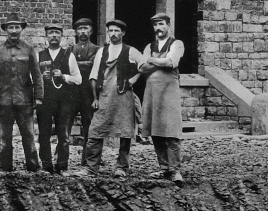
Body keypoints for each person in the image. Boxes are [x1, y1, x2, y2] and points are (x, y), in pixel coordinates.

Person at [82, 18, 144, 178]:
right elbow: (94, 76)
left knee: (124, 132)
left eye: (117, 31)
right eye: (111, 31)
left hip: (124, 97)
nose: (113, 34)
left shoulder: (131, 51)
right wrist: (95, 98)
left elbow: (145, 65)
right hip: (104, 96)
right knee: (95, 131)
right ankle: (91, 168)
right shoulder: (102, 52)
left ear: (122, 33)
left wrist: (134, 79)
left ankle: (121, 167)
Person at [0, 14, 42, 173]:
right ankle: (5, 168)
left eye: (17, 27)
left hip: (24, 100)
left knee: (29, 136)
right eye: (11, 27)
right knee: (4, 137)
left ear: (22, 29)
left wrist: (39, 97)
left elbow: (37, 75)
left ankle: (34, 167)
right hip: (3, 101)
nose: (14, 31)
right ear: (5, 30)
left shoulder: (29, 49)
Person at [139, 13, 185, 186]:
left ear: (168, 26)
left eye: (161, 24)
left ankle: (175, 170)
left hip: (169, 91)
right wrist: (157, 61)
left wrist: (151, 59)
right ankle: (164, 168)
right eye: (155, 25)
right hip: (152, 91)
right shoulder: (149, 45)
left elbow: (171, 62)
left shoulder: (177, 44)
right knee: (155, 131)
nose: (158, 28)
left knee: (171, 131)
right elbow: (141, 67)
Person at [36, 22, 81, 175]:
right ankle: (46, 165)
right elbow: (31, 78)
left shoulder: (69, 55)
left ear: (61, 36)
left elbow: (78, 78)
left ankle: (62, 166)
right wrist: (41, 77)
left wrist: (64, 76)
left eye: (57, 33)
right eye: (51, 33)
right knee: (44, 133)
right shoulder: (39, 55)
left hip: (64, 100)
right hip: (45, 100)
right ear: (46, 36)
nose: (54, 35)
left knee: (63, 134)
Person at [68, 17, 99, 166]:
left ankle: (87, 160)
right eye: (80, 29)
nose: (83, 31)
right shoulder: (70, 49)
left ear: (91, 31)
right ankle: (62, 159)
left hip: (88, 92)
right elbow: (66, 67)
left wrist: (75, 66)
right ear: (75, 32)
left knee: (89, 126)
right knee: (66, 124)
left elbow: (94, 66)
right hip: (72, 93)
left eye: (86, 28)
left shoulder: (97, 49)